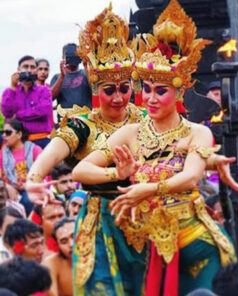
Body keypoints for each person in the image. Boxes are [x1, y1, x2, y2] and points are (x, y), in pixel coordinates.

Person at [72, 1, 237, 295]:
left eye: (161, 91)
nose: (150, 98)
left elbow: (189, 177)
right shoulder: (131, 132)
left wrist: (148, 189)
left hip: (194, 241)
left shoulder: (197, 133)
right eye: (146, 89)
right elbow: (81, 170)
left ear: (180, 91)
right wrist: (117, 174)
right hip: (148, 248)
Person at [26, 5, 148, 296]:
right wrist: (34, 177)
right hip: (101, 220)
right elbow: (55, 150)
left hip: (144, 215)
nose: (118, 97)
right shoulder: (84, 124)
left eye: (124, 88)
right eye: (109, 90)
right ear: (96, 88)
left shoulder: (146, 120)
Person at [1, 55, 53, 148]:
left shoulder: (44, 90)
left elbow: (43, 110)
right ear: (18, 69)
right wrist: (13, 87)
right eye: (25, 66)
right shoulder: (10, 91)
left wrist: (18, 115)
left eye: (32, 67)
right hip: (16, 140)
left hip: (40, 139)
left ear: (36, 70)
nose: (29, 70)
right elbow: (7, 113)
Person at [0, 119, 42, 215]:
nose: (4, 136)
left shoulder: (34, 150)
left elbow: (44, 174)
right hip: (10, 191)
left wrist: (28, 184)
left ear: (19, 134)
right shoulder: (2, 155)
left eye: (8, 133)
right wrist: (8, 187)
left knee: (27, 200)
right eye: (3, 133)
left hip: (33, 187)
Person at [50, 43, 92, 117]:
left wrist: (86, 65)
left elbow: (96, 91)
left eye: (75, 55)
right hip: (64, 122)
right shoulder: (57, 77)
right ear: (63, 57)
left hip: (85, 120)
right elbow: (50, 98)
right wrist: (62, 76)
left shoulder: (86, 74)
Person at [42, 218, 75, 296]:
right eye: (64, 241)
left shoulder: (99, 255)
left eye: (74, 236)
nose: (71, 244)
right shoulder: (51, 264)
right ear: (58, 246)